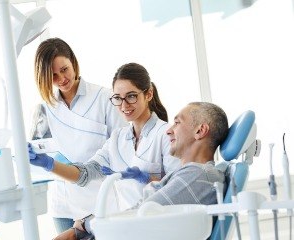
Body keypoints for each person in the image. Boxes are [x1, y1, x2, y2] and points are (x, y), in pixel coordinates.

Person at [28, 62, 180, 230]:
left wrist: (147, 179)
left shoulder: (166, 134)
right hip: (128, 227)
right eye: (117, 98)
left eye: (131, 96)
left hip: (159, 227)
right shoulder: (117, 139)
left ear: (149, 94)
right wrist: (49, 164)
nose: (123, 106)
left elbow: (180, 188)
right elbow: (85, 174)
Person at [52, 101, 229, 240]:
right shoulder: (190, 174)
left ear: (200, 130)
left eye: (177, 122)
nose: (169, 130)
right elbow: (143, 209)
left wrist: (83, 226)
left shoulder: (197, 175)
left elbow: (140, 214)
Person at [30, 37, 127, 233]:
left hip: (99, 198)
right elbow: (42, 147)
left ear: (73, 61)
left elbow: (121, 151)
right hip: (63, 201)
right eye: (53, 76)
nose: (62, 79)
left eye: (64, 69)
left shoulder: (104, 98)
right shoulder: (47, 106)